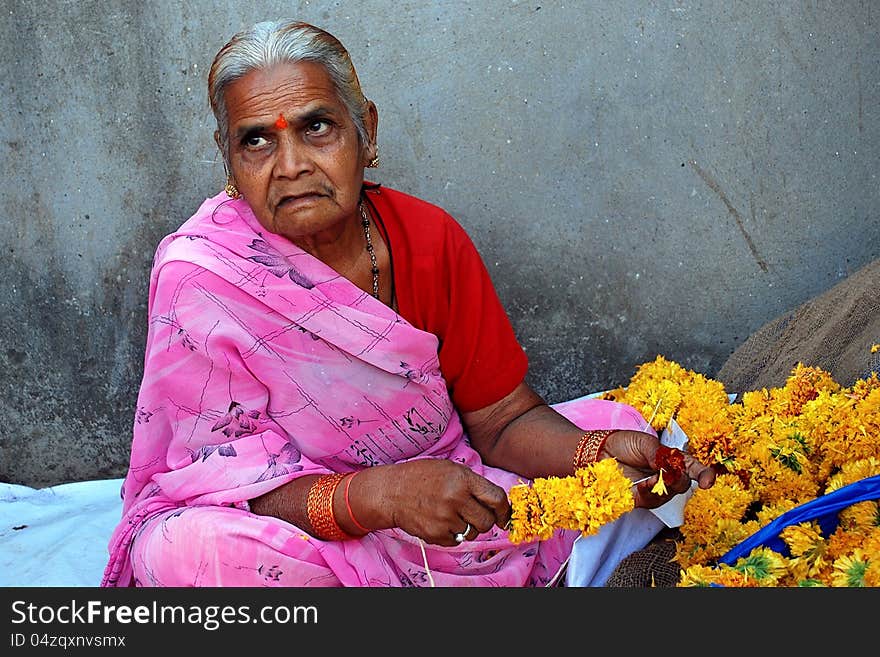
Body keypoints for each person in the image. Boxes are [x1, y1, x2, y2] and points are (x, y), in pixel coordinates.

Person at [102, 19, 715, 588]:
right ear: (229, 161)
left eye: (318, 127)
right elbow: (206, 483)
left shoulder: (428, 239)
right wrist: (374, 498)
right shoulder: (203, 275)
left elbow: (500, 420)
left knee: (628, 442)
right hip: (301, 530)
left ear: (366, 132)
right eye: (256, 141)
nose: (289, 166)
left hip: (447, 491)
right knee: (185, 551)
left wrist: (596, 456)